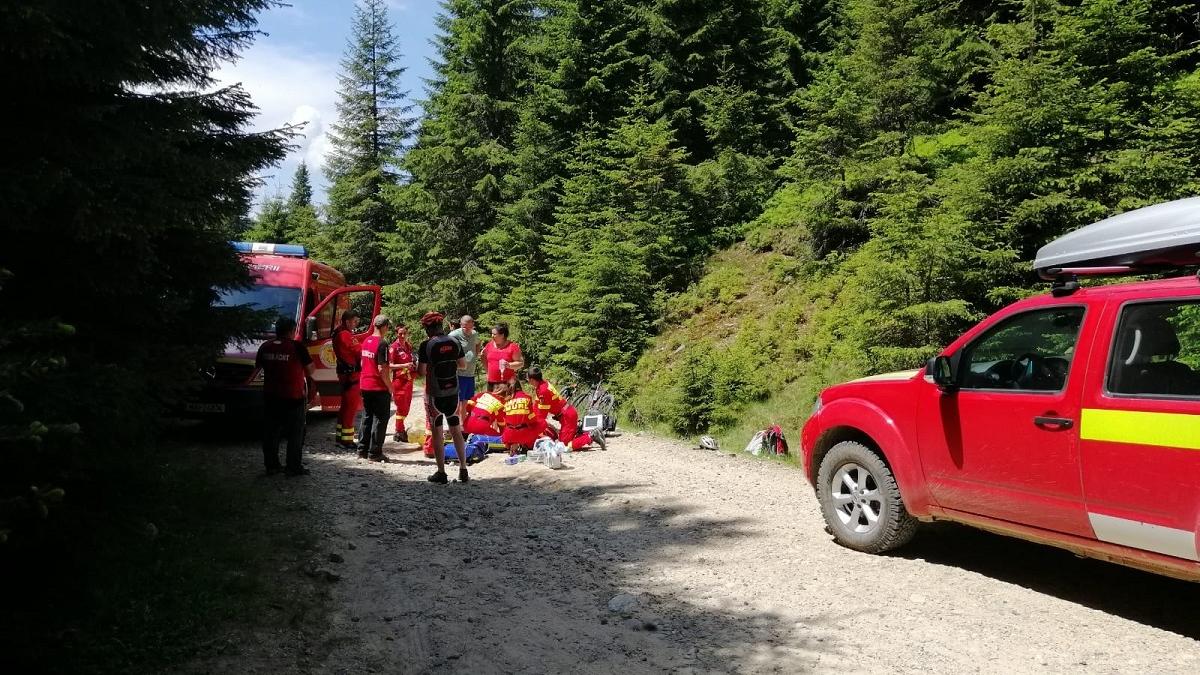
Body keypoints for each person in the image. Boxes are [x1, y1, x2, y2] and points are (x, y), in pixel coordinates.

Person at [249, 316, 315, 476]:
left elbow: (258, 367)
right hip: (293, 397)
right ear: (292, 331)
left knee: (271, 433)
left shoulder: (265, 346)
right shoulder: (297, 347)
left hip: (271, 396)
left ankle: (271, 466)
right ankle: (293, 467)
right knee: (295, 434)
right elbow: (310, 370)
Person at [416, 311, 470, 484]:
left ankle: (441, 472)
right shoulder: (454, 341)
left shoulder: (426, 345)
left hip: (435, 394)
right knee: (456, 430)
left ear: (428, 328)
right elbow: (463, 365)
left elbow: (421, 372)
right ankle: (463, 469)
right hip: (453, 392)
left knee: (437, 432)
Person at [527, 366, 606, 451]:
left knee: (563, 446)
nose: (527, 381)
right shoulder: (543, 385)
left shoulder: (543, 391)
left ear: (532, 380)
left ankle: (591, 436)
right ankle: (579, 432)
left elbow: (541, 415)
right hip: (567, 413)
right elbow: (536, 405)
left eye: (528, 379)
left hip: (567, 416)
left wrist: (532, 426)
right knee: (562, 440)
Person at [357, 314, 392, 462]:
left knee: (367, 417)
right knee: (380, 419)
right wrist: (390, 387)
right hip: (378, 387)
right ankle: (375, 453)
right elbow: (382, 369)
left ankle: (362, 450)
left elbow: (362, 363)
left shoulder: (366, 341)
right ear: (384, 327)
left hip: (365, 385)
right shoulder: (382, 343)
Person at [331, 309, 362, 449]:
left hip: (345, 374)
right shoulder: (345, 335)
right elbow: (359, 351)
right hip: (351, 376)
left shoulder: (338, 332)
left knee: (344, 406)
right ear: (348, 321)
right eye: (355, 321)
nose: (356, 324)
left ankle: (340, 437)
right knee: (350, 408)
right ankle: (347, 441)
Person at [447, 314, 479, 418]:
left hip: (471, 373)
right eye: (464, 326)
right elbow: (446, 349)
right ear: (461, 324)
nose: (466, 329)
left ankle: (464, 424)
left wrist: (476, 354)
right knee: (459, 402)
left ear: (472, 324)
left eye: (469, 327)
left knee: (468, 401)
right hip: (459, 374)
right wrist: (454, 364)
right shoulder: (453, 335)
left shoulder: (474, 334)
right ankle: (459, 424)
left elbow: (478, 343)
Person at [388, 323, 415, 442]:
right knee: (401, 407)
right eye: (400, 334)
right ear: (396, 334)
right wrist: (404, 365)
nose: (403, 336)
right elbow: (389, 365)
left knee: (407, 407)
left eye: (404, 333)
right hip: (399, 381)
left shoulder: (408, 346)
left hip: (409, 380)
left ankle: (400, 429)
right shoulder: (393, 347)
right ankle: (399, 431)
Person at [501, 379, 544, 454]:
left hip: (509, 435)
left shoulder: (505, 401)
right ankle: (526, 444)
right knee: (542, 422)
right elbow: (532, 419)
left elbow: (504, 420)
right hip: (523, 434)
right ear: (520, 386)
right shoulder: (527, 398)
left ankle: (512, 443)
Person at [479, 322, 523, 392]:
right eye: (492, 334)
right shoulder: (489, 345)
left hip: (508, 383)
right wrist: (487, 372)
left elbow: (520, 363)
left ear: (502, 335)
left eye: (494, 334)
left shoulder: (512, 347)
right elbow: (483, 356)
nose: (492, 336)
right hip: (492, 383)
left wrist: (509, 365)